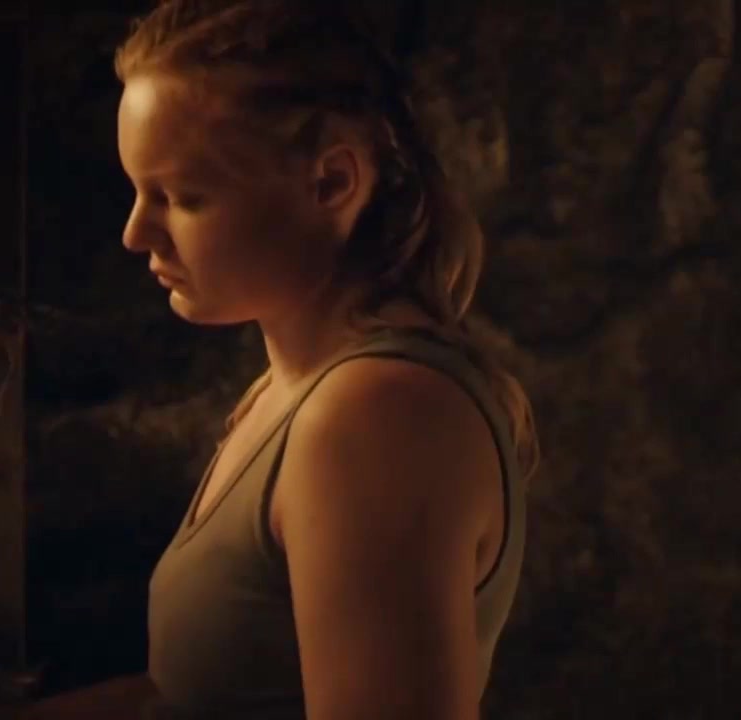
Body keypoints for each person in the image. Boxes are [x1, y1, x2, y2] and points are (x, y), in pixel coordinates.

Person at [32, 2, 540, 718]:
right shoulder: (291, 392)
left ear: (332, 183)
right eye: (138, 192)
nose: (135, 234)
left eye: (182, 197)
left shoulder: (374, 416)